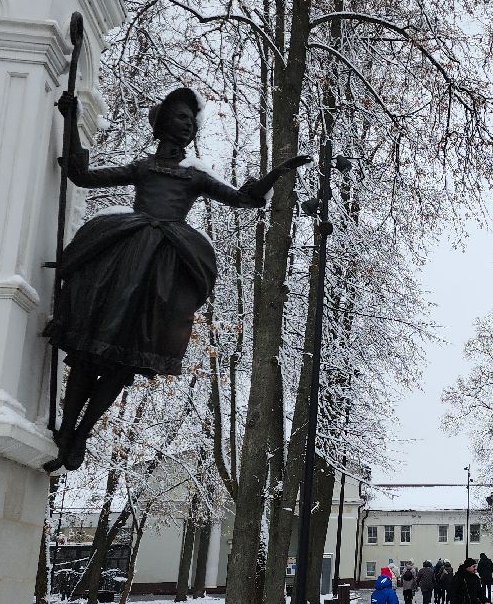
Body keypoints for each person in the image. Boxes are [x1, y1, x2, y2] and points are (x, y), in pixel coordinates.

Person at [43, 86, 307, 472]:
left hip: (162, 274)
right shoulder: (143, 168)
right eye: (181, 117)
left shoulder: (194, 176)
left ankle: (82, 431)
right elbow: (81, 176)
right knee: (89, 352)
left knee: (124, 361)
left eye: (191, 120)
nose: (187, 125)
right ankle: (66, 432)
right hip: (122, 261)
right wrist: (70, 119)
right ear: (163, 121)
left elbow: (243, 200)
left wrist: (275, 175)